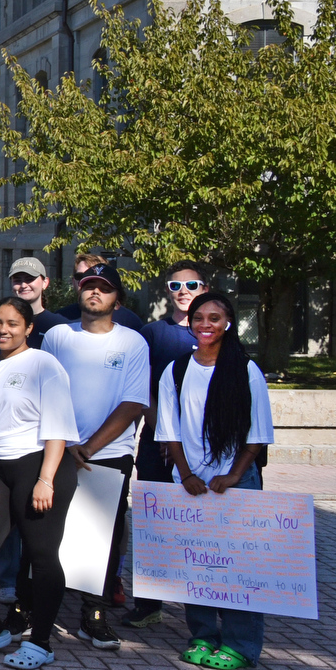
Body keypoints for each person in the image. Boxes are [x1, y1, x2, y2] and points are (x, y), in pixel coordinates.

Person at [0, 297, 80, 669]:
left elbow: (58, 427)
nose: (3, 330)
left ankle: (40, 641)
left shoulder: (44, 364)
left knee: (41, 556)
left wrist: (46, 479)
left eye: (12, 323)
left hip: (40, 465)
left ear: (29, 328)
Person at [158, 291, 275, 670]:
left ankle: (242, 643)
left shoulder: (245, 369)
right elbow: (169, 430)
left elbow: (258, 433)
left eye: (214, 318)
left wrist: (235, 474)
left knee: (239, 567)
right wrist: (187, 474)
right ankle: (203, 634)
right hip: (190, 482)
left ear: (228, 324)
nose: (205, 325)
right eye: (198, 318)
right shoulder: (176, 370)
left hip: (235, 481)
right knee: (198, 563)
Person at [40, 262, 150, 649]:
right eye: (89, 286)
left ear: (117, 298)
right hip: (57, 450)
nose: (95, 293)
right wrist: (66, 444)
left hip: (109, 453)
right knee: (46, 530)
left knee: (102, 535)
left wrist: (88, 447)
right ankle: (35, 607)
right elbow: (44, 391)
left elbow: (133, 403)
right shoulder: (57, 336)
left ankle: (94, 614)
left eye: (104, 288)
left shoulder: (133, 342)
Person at [126, 262, 207, 629]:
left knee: (205, 528)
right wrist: (164, 436)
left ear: (204, 287)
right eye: (176, 284)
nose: (184, 289)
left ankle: (212, 599)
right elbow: (144, 389)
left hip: (206, 449)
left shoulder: (217, 332)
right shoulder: (154, 333)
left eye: (191, 283)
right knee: (153, 524)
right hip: (158, 442)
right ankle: (149, 603)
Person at [53, 253, 146, 331]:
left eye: (95, 278)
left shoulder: (129, 321)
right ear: (73, 281)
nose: (95, 290)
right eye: (80, 276)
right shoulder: (58, 320)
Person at [5, 257, 64, 347]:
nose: (23, 285)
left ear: (45, 282)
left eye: (29, 279)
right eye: (17, 280)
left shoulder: (58, 325)